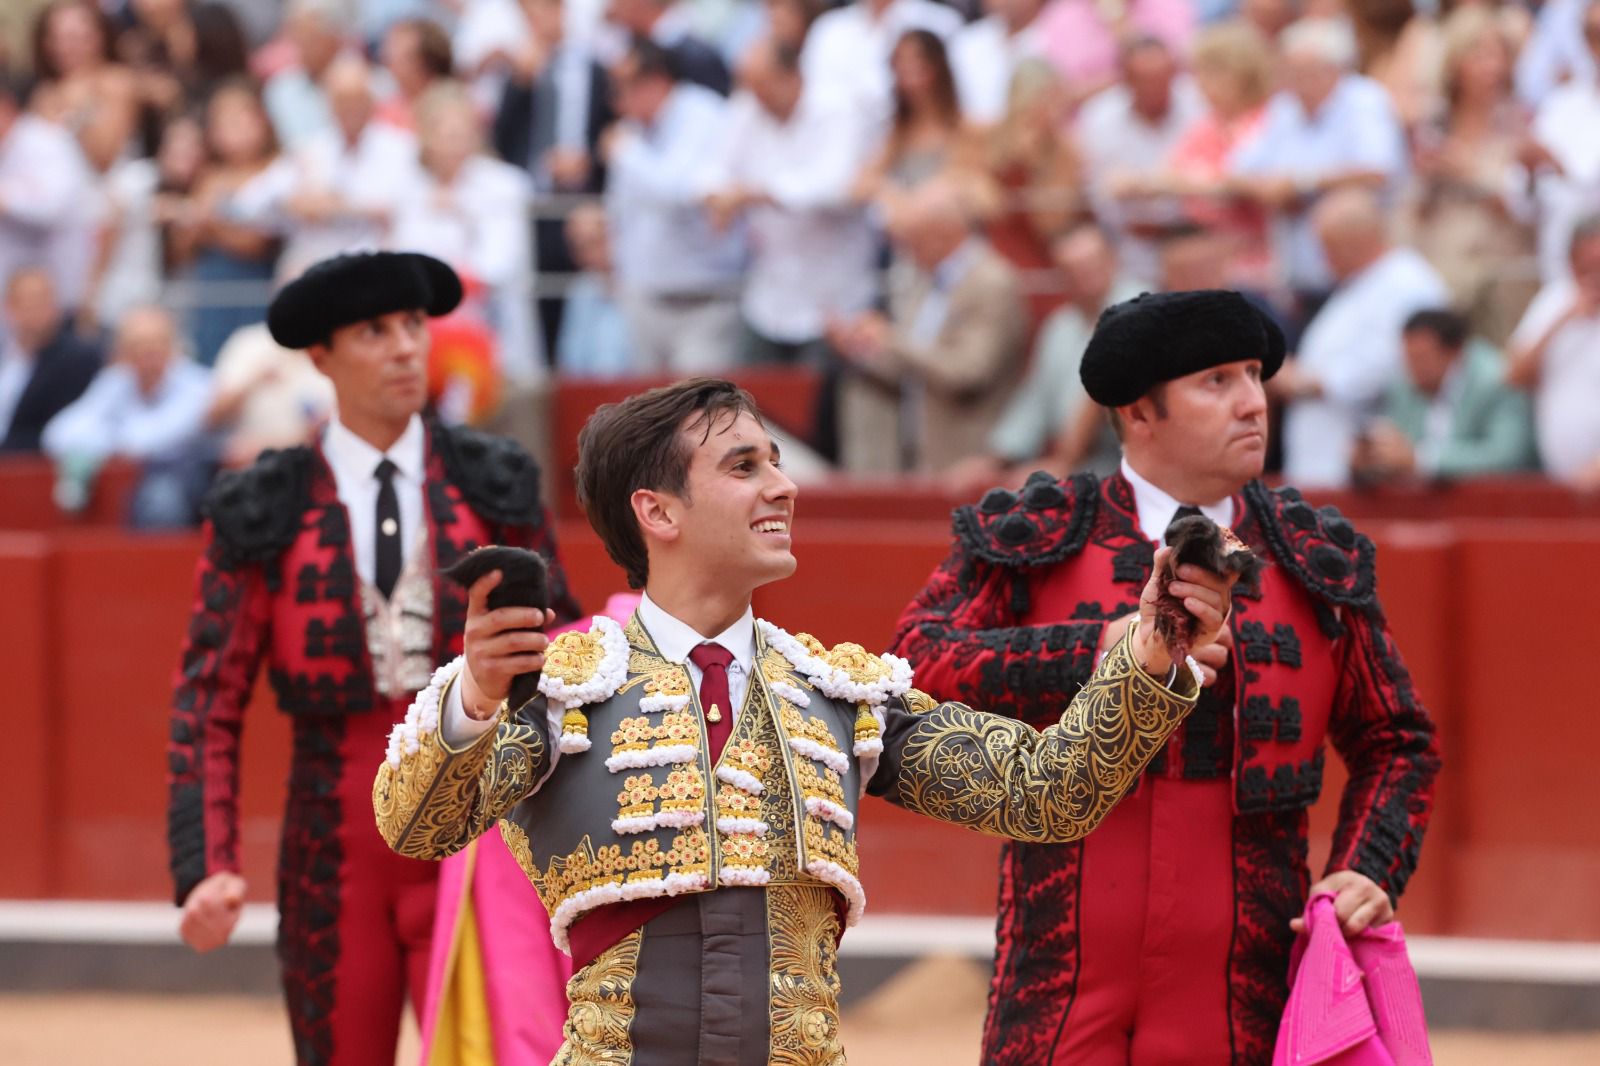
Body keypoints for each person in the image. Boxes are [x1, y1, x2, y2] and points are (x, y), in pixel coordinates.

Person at [373, 376, 1238, 1062]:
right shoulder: (561, 690)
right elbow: (417, 826)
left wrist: (1150, 657)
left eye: (777, 462)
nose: (783, 486)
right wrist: (474, 697)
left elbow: (1044, 794)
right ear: (657, 510)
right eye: (743, 467)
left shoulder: (839, 693)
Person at [890, 288, 1441, 1065]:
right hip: (1059, 970)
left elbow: (1398, 740)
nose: (1253, 402)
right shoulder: (1036, 536)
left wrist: (1365, 866)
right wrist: (1100, 647)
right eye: (1217, 381)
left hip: (1247, 980)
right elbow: (912, 660)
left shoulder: (1312, 556)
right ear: (1138, 410)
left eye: (1253, 375)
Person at [164, 250, 580, 1066]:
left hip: (479, 847)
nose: (405, 348)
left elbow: (562, 662)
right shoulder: (262, 504)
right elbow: (207, 696)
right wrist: (205, 863)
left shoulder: (495, 481)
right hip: (331, 851)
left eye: (414, 325)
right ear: (321, 357)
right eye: (374, 332)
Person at [831, 177, 1028, 475]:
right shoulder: (925, 282)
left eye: (914, 238)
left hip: (968, 462)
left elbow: (968, 372)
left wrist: (892, 340)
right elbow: (910, 370)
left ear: (945, 233)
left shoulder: (992, 283)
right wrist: (861, 349)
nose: (907, 250)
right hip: (920, 456)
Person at [703, 37, 877, 368]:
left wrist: (752, 194)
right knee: (751, 393)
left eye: (763, 84)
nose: (756, 95)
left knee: (819, 398)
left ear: (793, 76)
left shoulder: (837, 109)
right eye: (750, 85)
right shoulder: (747, 107)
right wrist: (718, 199)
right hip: (767, 297)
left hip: (834, 300)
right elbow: (711, 169)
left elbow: (834, 186)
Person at [1273, 187, 1449, 488]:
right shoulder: (1361, 283)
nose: (1323, 259)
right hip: (1323, 464)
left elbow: (1394, 366)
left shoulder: (1407, 284)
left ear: (1356, 241)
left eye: (1328, 247)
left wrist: (1301, 381)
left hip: (1362, 469)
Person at [604, 38, 744, 374]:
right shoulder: (632, 130)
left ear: (657, 80)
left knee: (699, 402)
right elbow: (621, 208)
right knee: (648, 404)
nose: (617, 101)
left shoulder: (704, 114)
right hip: (644, 295)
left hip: (704, 301)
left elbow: (680, 191)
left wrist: (628, 154)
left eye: (625, 86)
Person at [41, 304, 212, 527]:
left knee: (161, 500)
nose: (146, 353)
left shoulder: (198, 385)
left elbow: (147, 442)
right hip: (128, 484)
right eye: (137, 346)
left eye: (154, 344)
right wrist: (113, 442)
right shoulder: (115, 380)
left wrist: (106, 439)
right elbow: (58, 434)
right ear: (122, 352)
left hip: (183, 482)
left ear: (172, 346)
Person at [1350, 307, 1537, 484]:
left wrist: (1421, 460)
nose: (1413, 369)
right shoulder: (1403, 384)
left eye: (1421, 358)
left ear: (1455, 351)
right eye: (1407, 359)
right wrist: (1372, 459)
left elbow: (1507, 456)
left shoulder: (1497, 380)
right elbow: (1399, 449)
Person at [1507, 214, 1600, 487]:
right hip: (1562, 482)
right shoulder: (1554, 300)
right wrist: (1564, 318)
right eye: (1586, 266)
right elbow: (1514, 375)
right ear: (1571, 262)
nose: (1595, 275)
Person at [0, 265, 101, 453]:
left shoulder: (77, 360)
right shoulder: (6, 356)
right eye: (28, 302)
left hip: (32, 464)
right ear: (8, 307)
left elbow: (53, 433)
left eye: (43, 301)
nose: (36, 310)